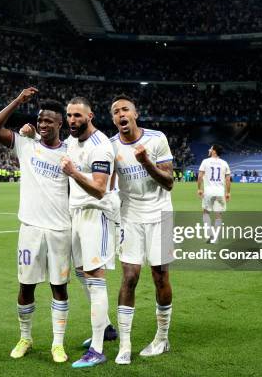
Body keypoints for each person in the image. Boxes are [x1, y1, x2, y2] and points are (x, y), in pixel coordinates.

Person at [0, 87, 72, 363]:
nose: (43, 124)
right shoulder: (25, 145)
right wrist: (17, 101)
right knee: (26, 286)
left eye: (49, 120)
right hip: (31, 229)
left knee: (59, 287)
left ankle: (57, 344)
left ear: (61, 123)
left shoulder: (71, 153)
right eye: (40, 119)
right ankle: (25, 337)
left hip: (60, 229)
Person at [109, 95, 175, 365]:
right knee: (130, 276)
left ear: (135, 114)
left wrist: (146, 161)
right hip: (130, 217)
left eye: (125, 109)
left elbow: (169, 182)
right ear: (113, 119)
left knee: (160, 276)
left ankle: (162, 337)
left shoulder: (157, 138)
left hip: (161, 214)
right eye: (115, 112)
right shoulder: (110, 146)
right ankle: (125, 343)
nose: (121, 114)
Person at [62, 96, 117, 368]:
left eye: (77, 116)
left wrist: (73, 173)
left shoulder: (101, 146)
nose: (72, 120)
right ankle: (106, 328)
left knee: (95, 276)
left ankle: (97, 350)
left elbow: (99, 188)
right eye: (69, 115)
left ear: (90, 116)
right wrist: (33, 133)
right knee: (81, 273)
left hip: (97, 215)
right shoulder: (72, 140)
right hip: (76, 214)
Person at [197, 145, 231, 243]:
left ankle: (208, 235)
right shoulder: (224, 163)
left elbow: (200, 177)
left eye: (211, 148)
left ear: (214, 151)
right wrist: (228, 192)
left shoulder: (205, 161)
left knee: (206, 212)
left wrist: (199, 189)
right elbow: (228, 179)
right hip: (220, 192)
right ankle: (215, 238)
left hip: (208, 191)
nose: (209, 150)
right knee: (218, 215)